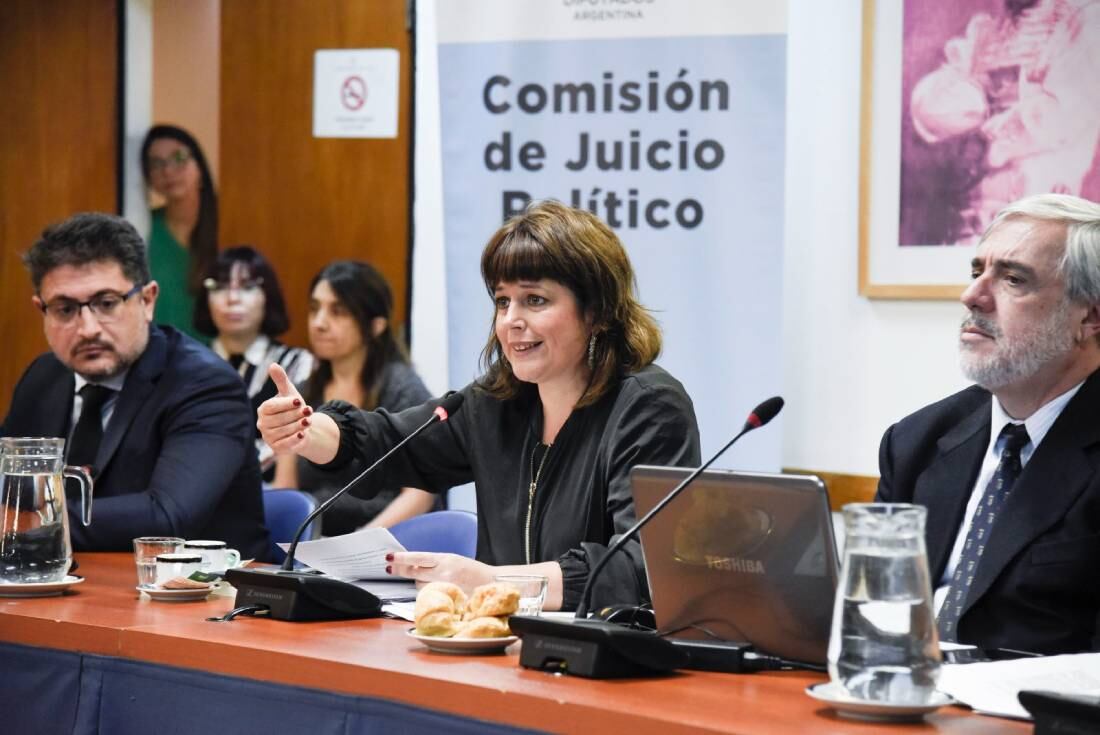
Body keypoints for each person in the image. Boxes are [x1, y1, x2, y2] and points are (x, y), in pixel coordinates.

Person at [258, 200, 701, 611]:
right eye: (503, 301)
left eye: (535, 300)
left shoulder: (648, 408)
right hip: (500, 648)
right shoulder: (498, 401)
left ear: (597, 312)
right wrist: (307, 430)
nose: (511, 321)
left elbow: (640, 569)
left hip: (606, 660)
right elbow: (393, 443)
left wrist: (495, 581)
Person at [876, 193, 1100, 655]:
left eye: (1013, 279)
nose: (972, 296)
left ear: (1090, 317)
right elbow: (872, 603)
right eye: (978, 272)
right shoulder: (917, 440)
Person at [1, 212, 270, 561]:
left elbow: (168, 517)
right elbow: (8, 488)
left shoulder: (206, 385)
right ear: (42, 311)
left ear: (147, 300)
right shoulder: (44, 377)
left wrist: (24, 525)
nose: (88, 329)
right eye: (65, 309)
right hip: (69, 585)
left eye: (106, 303)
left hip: (206, 600)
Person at [270, 261, 437, 535]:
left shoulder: (402, 388)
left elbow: (420, 494)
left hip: (389, 544)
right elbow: (287, 491)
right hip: (315, 545)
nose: (319, 323)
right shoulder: (303, 391)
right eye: (314, 309)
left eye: (338, 311)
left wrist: (360, 543)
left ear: (376, 326)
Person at [194, 246, 313, 472]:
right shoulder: (189, 362)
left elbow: (295, 439)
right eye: (219, 287)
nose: (232, 299)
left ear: (267, 295)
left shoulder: (296, 362)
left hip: (269, 491)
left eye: (247, 287)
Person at [140, 124, 218, 342]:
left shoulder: (229, 224)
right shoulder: (144, 227)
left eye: (179, 157)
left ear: (200, 166)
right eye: (156, 163)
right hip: (160, 357)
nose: (168, 170)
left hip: (222, 360)